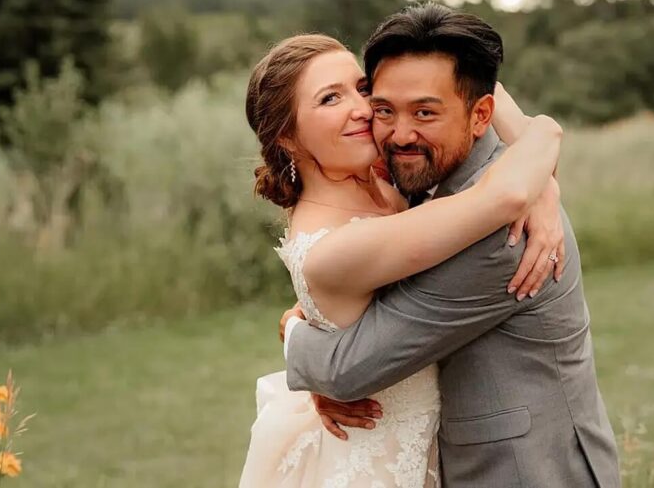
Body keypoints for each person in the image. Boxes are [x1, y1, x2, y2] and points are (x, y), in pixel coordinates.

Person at [239, 27, 568, 488]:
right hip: (378, 464)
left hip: (434, 449)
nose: (360, 109)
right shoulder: (334, 247)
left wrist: (544, 186)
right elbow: (507, 193)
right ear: (287, 139)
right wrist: (545, 132)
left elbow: (472, 88)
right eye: (329, 99)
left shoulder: (383, 179)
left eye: (361, 88)